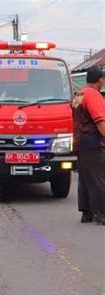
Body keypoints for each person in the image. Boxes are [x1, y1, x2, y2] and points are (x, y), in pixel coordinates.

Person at [71, 67, 105, 225]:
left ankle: (87, 212)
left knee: (85, 178)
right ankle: (101, 214)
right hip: (93, 141)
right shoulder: (93, 95)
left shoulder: (80, 94)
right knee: (98, 178)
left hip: (81, 141)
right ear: (100, 80)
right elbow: (100, 121)